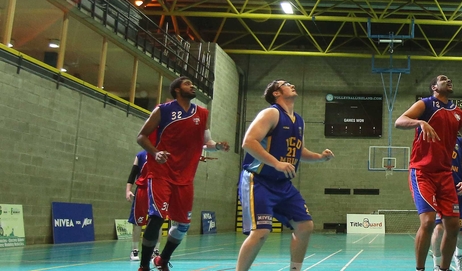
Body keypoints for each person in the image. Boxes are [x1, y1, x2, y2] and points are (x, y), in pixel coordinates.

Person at [395, 75, 462, 271]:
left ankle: (444, 268)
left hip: (445, 175)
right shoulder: (426, 104)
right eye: (443, 79)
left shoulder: (457, 112)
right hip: (422, 172)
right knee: (428, 221)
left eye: (449, 79)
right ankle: (420, 268)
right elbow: (400, 121)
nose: (448, 80)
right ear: (434, 87)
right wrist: (420, 123)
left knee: (454, 225)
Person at [236, 79, 334, 271]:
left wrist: (320, 157)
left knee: (305, 225)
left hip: (282, 184)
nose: (292, 85)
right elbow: (248, 142)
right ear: (276, 93)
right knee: (261, 232)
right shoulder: (271, 113)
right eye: (285, 84)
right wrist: (276, 163)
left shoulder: (299, 120)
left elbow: (299, 151)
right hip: (259, 180)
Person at [135, 77, 230, 271]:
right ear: (177, 90)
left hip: (185, 177)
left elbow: (207, 143)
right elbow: (141, 136)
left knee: (183, 226)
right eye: (187, 83)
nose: (192, 85)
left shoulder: (202, 113)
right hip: (162, 172)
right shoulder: (163, 110)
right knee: (157, 218)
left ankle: (162, 259)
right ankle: (144, 266)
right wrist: (155, 152)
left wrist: (218, 146)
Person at [430, 135, 462, 271]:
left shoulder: (461, 143)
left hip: (456, 192)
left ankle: (459, 256)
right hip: (439, 192)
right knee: (438, 229)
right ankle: (437, 265)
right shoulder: (434, 137)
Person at [126, 150, 160, 261]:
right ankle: (134, 250)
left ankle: (156, 251)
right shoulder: (140, 155)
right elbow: (133, 173)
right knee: (138, 221)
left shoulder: (162, 153)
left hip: (157, 190)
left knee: (157, 220)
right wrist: (128, 190)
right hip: (142, 190)